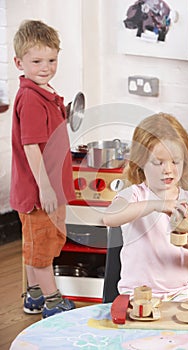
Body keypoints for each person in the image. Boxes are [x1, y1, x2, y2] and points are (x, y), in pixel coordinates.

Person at [103, 113, 188, 300]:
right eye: (158, 162)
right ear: (140, 163)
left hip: (181, 294)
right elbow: (109, 218)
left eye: (175, 161)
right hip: (137, 294)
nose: (168, 169)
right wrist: (157, 205)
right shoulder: (134, 195)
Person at [10, 20, 76, 318]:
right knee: (43, 248)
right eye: (36, 61)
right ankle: (52, 300)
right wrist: (46, 187)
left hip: (42, 188)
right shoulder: (31, 98)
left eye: (52, 59)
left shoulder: (43, 92)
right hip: (40, 191)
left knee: (36, 243)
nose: (45, 67)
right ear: (19, 62)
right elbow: (31, 147)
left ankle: (34, 295)